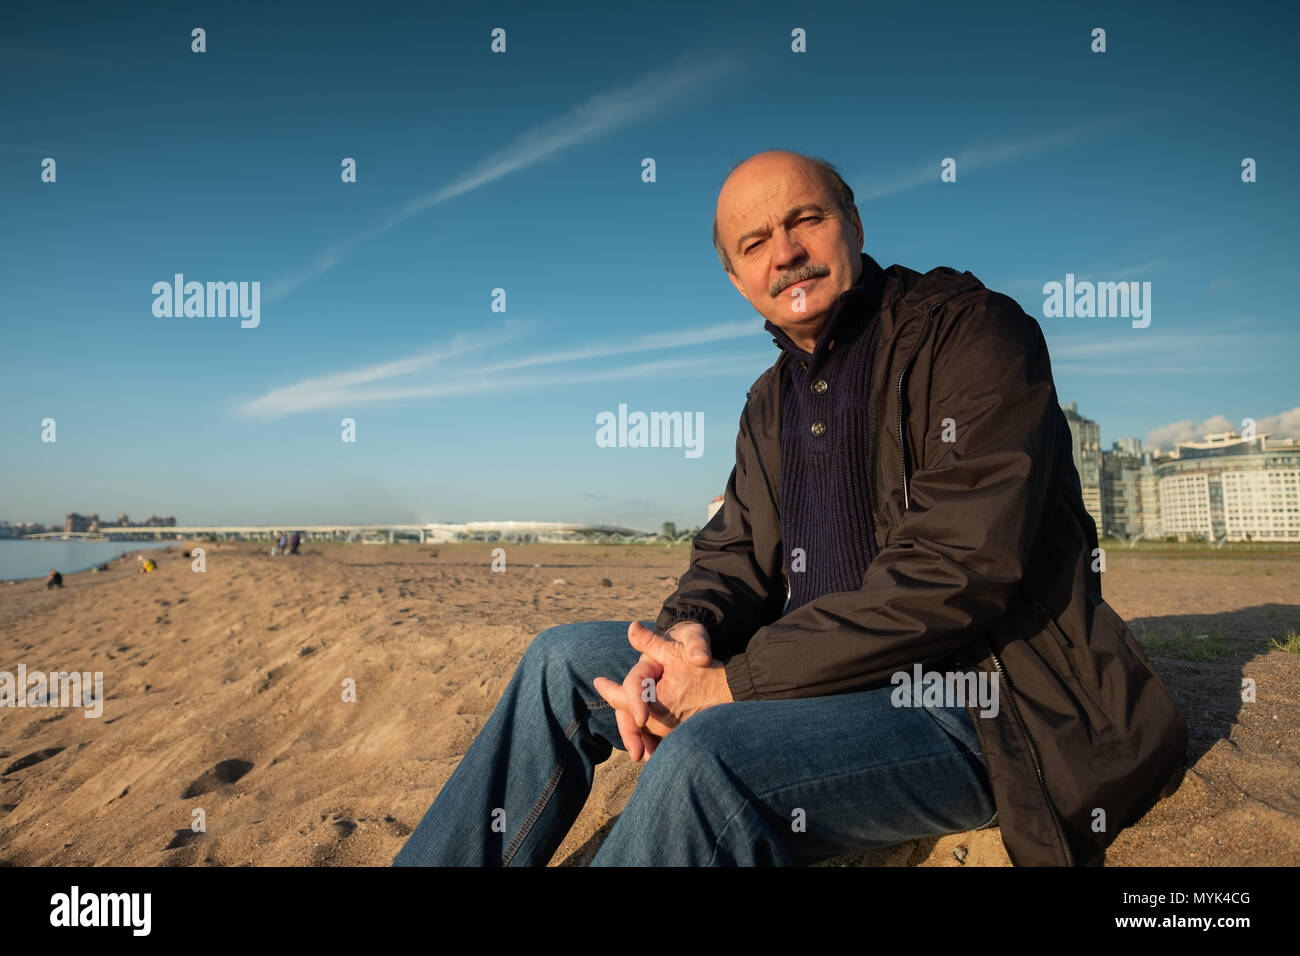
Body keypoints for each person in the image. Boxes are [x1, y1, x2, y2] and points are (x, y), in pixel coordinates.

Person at [392, 150, 1188, 868]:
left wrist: (732, 687)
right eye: (754, 243)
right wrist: (689, 635)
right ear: (737, 282)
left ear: (853, 224)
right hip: (814, 678)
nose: (786, 253)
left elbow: (958, 569)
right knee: (560, 661)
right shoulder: (769, 401)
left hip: (977, 701)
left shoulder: (972, 334)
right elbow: (733, 551)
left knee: (712, 759)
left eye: (806, 218)